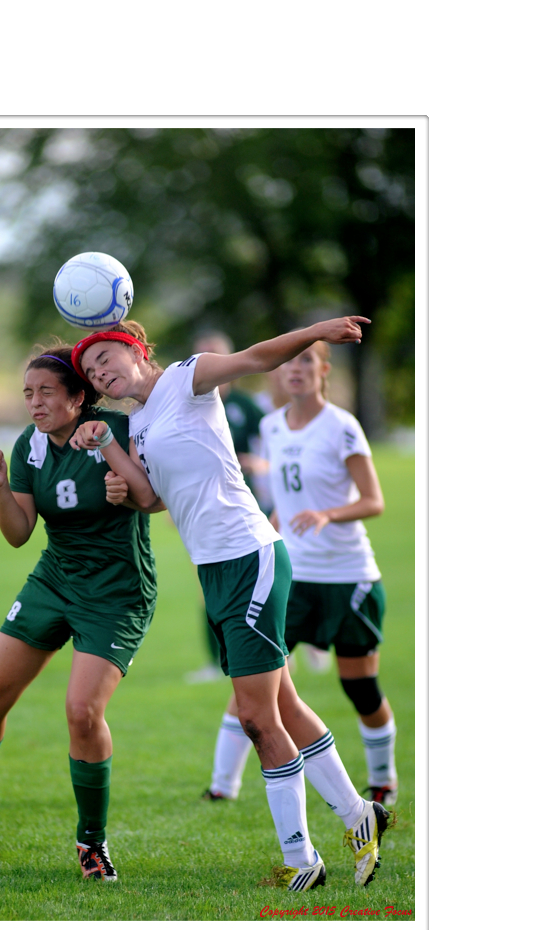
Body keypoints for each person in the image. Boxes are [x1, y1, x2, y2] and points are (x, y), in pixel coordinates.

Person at [69, 317, 392, 890]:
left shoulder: (186, 378)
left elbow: (258, 356)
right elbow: (152, 498)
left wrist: (319, 331)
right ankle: (358, 815)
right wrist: (114, 462)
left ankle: (301, 860)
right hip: (215, 569)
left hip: (250, 555)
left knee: (254, 715)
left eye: (105, 359)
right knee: (283, 707)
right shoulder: (136, 423)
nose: (100, 375)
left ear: (135, 350)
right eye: (91, 373)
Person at [0, 346, 157, 882]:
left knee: (82, 712)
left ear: (77, 396)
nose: (34, 403)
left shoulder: (116, 429)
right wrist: (0, 488)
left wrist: (128, 489)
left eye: (46, 392)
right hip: (54, 579)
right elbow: (19, 534)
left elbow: (152, 494)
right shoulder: (31, 447)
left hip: (116, 592)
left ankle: (91, 844)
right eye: (27, 394)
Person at [205, 341, 399, 808]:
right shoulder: (271, 427)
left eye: (306, 360)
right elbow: (281, 495)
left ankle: (383, 779)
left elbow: (373, 500)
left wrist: (327, 515)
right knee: (254, 677)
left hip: (348, 578)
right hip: (293, 578)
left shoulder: (342, 427)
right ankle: (221, 785)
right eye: (289, 361)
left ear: (323, 370)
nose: (295, 369)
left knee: (360, 688)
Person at [184, 331, 269, 684]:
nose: (211, 361)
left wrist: (255, 464)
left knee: (259, 588)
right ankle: (216, 662)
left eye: (217, 354)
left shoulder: (248, 409)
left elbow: (271, 458)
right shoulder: (186, 406)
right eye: (203, 355)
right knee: (208, 591)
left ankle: (274, 651)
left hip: (248, 512)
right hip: (203, 513)